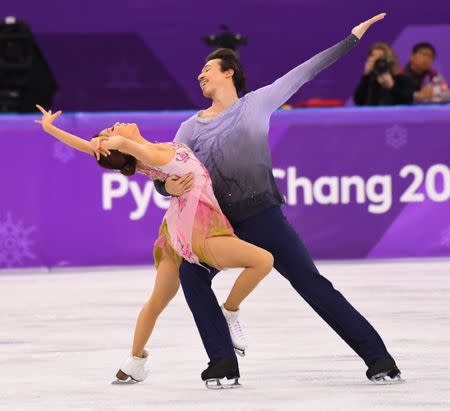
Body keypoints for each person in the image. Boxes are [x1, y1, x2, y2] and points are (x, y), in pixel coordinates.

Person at [127, 13, 403, 384]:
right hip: (217, 225)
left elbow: (306, 71)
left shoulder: (257, 103)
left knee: (311, 282)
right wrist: (165, 189)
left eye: (207, 68)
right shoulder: (189, 128)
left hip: (262, 215)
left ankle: (378, 356)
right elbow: (166, 172)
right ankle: (223, 362)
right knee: (192, 279)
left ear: (229, 73)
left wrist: (351, 39)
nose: (200, 74)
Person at [35, 105, 274, 389]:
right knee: (264, 260)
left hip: (175, 230)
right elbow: (118, 145)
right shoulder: (150, 154)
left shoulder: (143, 159)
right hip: (199, 228)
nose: (117, 123)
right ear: (120, 145)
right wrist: (104, 142)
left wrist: (52, 129)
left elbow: (104, 148)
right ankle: (230, 311)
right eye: (112, 129)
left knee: (156, 302)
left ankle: (135, 361)